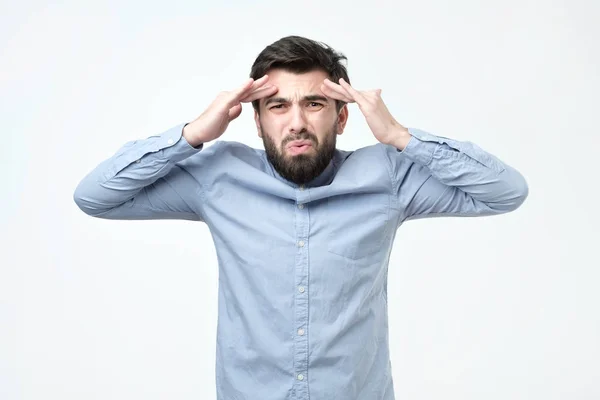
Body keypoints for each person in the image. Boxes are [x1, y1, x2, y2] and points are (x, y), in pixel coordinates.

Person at [73, 35, 529, 400]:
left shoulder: (387, 176)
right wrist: (192, 133)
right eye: (278, 106)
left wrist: (400, 136)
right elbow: (96, 196)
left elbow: (505, 191)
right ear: (256, 121)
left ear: (342, 117)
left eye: (313, 103)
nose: (296, 123)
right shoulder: (218, 177)